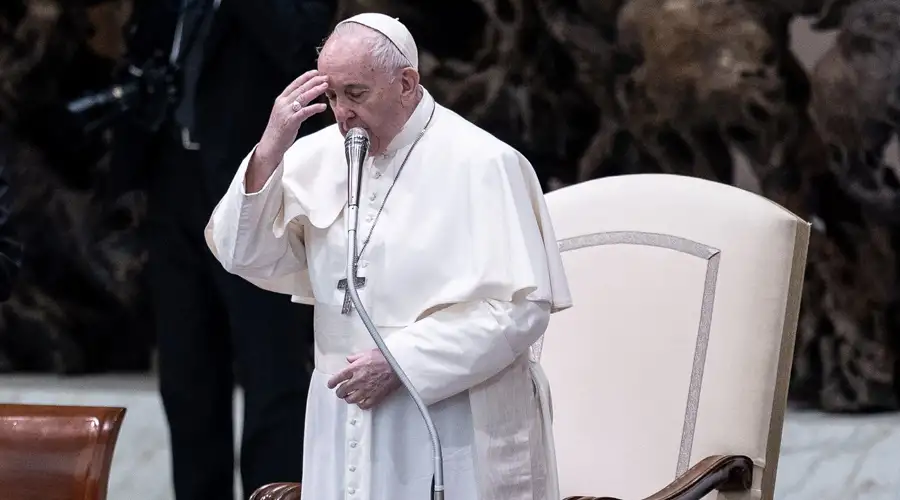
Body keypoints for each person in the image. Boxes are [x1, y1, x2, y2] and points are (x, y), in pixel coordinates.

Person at [205, 12, 572, 500]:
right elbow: (237, 252)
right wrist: (270, 149)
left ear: (406, 83)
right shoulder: (312, 158)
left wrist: (402, 362)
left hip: (450, 418)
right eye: (331, 96)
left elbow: (523, 307)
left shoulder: (482, 163)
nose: (342, 114)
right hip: (342, 420)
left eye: (356, 94)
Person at [107, 0, 336, 498]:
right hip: (173, 189)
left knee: (270, 369)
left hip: (259, 192)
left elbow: (305, 50)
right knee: (187, 377)